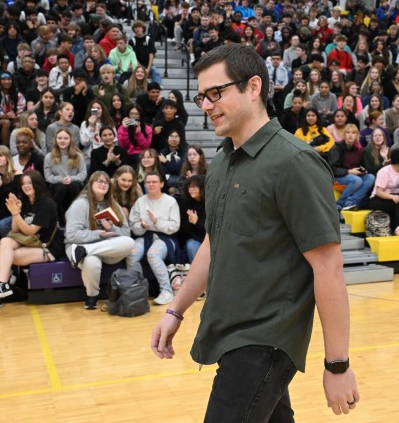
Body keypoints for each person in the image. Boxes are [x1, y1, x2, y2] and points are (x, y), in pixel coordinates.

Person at [151, 44, 359, 419]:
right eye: (202, 96)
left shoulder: (295, 163)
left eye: (216, 93)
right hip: (229, 330)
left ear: (253, 87)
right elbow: (214, 243)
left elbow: (328, 267)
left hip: (265, 342)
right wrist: (176, 309)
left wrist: (337, 365)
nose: (207, 105)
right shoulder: (221, 163)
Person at [0, 171, 64, 313]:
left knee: (6, 257)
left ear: (37, 184)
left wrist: (15, 213)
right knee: (5, 242)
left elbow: (30, 230)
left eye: (29, 183)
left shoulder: (47, 204)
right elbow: (15, 229)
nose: (26, 186)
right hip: (31, 242)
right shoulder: (25, 200)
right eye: (23, 183)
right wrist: (17, 210)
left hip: (47, 248)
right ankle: (1, 285)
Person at [64, 171, 135, 310]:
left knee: (130, 243)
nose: (103, 184)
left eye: (106, 182)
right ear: (91, 184)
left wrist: (112, 228)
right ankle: (92, 297)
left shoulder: (113, 205)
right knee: (91, 262)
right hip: (77, 245)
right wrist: (98, 234)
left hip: (104, 248)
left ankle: (84, 251)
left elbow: (126, 233)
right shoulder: (80, 204)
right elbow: (72, 235)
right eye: (99, 181)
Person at [126, 171, 181, 305]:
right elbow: (133, 225)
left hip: (165, 238)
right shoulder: (140, 201)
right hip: (146, 236)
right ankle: (139, 290)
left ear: (161, 184)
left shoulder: (170, 201)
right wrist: (142, 226)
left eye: (154, 182)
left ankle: (166, 291)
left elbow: (175, 226)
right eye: (148, 182)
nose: (150, 184)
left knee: (152, 254)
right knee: (131, 255)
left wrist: (156, 222)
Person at [327, 124, 376, 211]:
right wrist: (349, 171)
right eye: (348, 132)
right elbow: (332, 169)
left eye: (353, 133)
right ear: (344, 135)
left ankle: (351, 201)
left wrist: (362, 170)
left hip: (352, 175)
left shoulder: (359, 149)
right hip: (338, 176)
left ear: (357, 135)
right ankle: (339, 203)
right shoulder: (337, 147)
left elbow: (361, 165)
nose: (350, 135)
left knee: (370, 177)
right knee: (357, 180)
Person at [44, 128, 87, 224]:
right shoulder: (49, 156)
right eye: (60, 138)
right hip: (57, 186)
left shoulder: (78, 156)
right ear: (55, 140)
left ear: (70, 140)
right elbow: (48, 176)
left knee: (74, 185)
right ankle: (60, 220)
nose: (62, 141)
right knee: (61, 188)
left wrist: (71, 178)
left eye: (65, 138)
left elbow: (83, 174)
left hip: (74, 185)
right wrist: (61, 179)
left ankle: (77, 218)